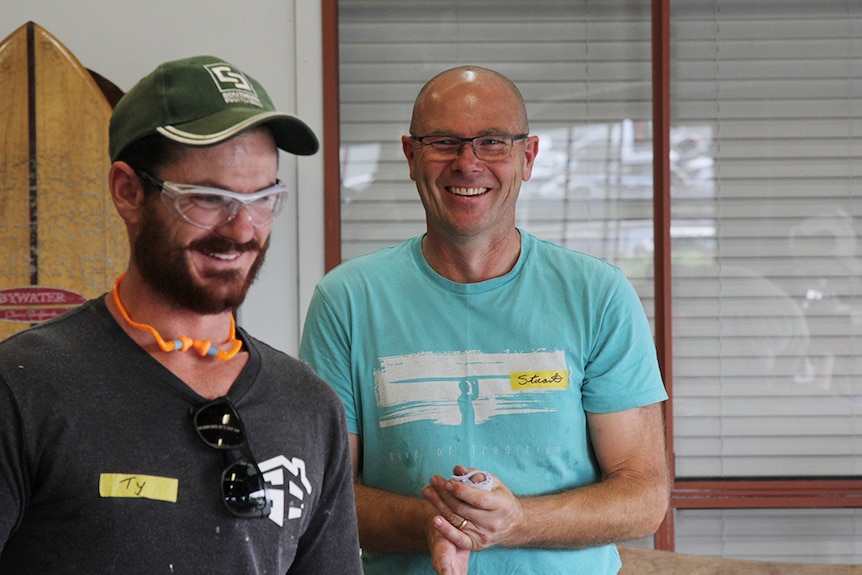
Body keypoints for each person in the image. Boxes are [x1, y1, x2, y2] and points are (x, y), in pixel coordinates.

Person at [299, 65, 669, 575]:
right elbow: (324, 496)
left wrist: (519, 521)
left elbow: (644, 494)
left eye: (493, 142)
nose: (467, 163)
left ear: (528, 156)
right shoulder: (347, 300)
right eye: (444, 142)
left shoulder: (597, 295)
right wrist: (443, 523)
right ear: (410, 156)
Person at [0, 55, 362, 574]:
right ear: (128, 192)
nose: (242, 229)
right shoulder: (24, 389)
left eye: (263, 198)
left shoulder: (308, 405)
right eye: (209, 198)